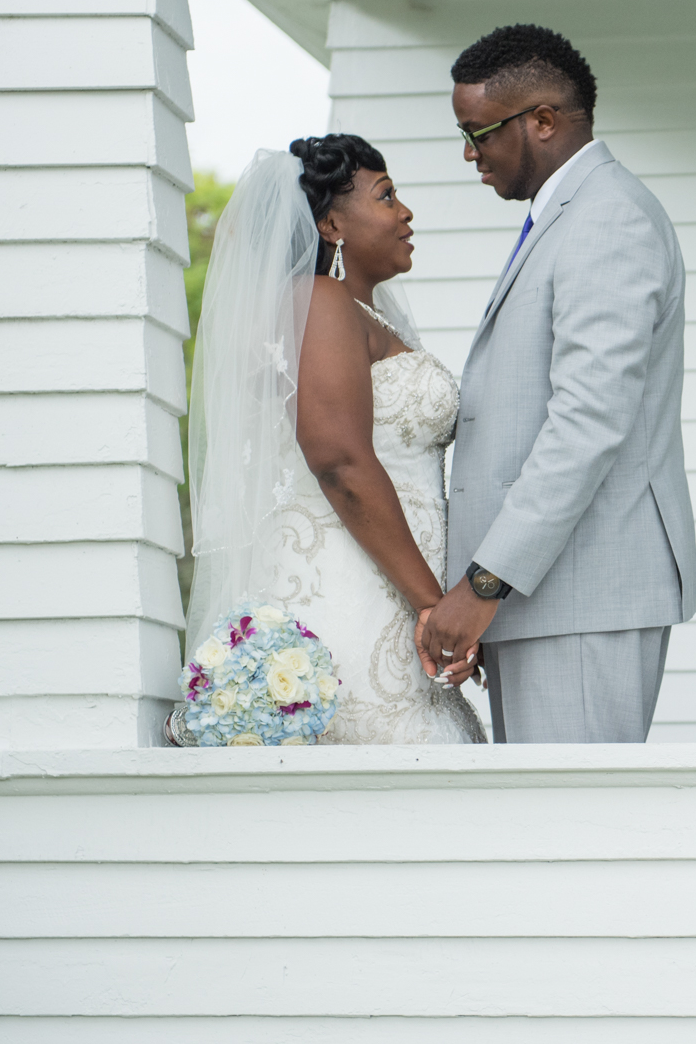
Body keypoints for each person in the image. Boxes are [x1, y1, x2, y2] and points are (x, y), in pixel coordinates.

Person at [417, 24, 696, 743]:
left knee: (576, 838)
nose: (470, 155)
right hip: (545, 598)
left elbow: (587, 421)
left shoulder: (607, 219)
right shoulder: (570, 217)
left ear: (542, 121)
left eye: (478, 133)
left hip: (581, 593)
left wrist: (485, 583)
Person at [185, 137, 485, 745]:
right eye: (387, 196)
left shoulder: (366, 316)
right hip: (356, 586)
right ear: (330, 224)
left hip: (396, 589)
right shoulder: (320, 301)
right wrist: (436, 607)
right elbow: (340, 462)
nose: (405, 213)